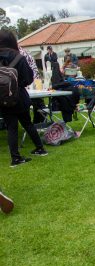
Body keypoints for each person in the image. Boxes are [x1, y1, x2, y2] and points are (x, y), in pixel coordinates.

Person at [0, 30, 48, 167]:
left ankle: (15, 158)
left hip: (3, 98)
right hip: (19, 96)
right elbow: (28, 79)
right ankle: (40, 148)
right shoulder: (18, 57)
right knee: (27, 123)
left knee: (11, 128)